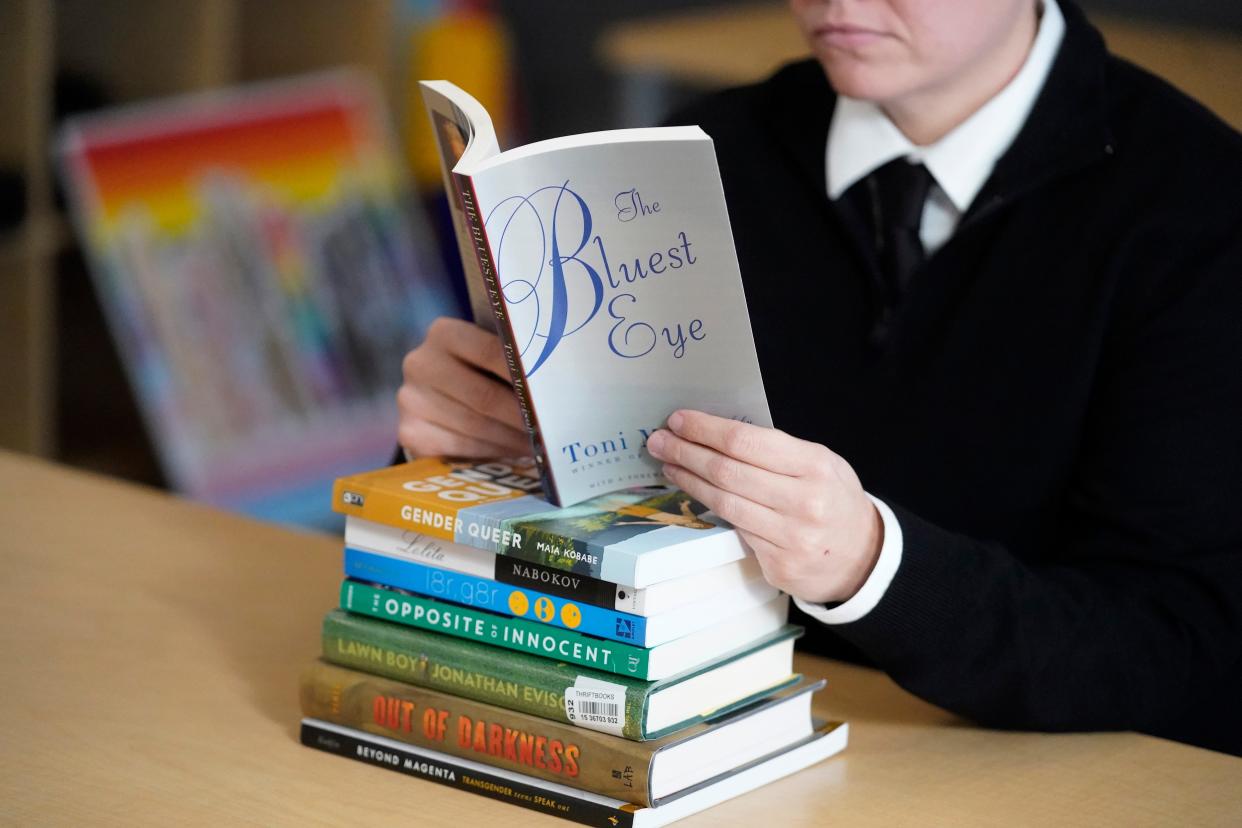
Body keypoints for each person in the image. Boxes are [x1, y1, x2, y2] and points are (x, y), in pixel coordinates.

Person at [396, 0, 1242, 755]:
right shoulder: (699, 161)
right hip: (701, 741)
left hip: (1021, 774)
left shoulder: (1199, 209)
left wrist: (873, 567)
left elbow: (1181, 645)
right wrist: (464, 451)